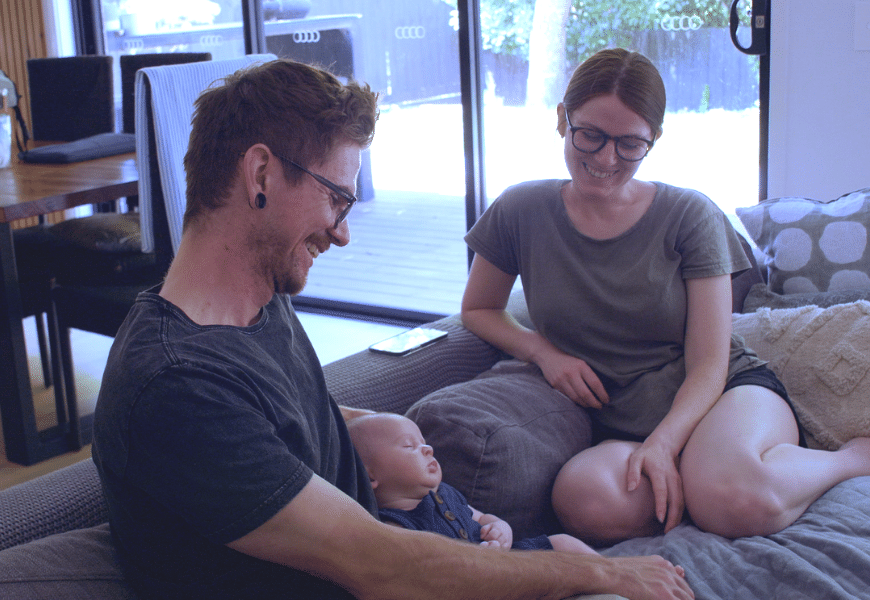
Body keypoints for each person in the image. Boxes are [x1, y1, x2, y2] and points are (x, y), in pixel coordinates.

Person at [91, 58, 693, 600]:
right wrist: (611, 572)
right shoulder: (179, 387)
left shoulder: (257, 307)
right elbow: (382, 568)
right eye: (336, 199)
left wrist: (441, 496)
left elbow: (297, 421)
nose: (342, 232)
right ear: (261, 175)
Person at [460, 47, 870, 547]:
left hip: (719, 395)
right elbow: (478, 309)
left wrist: (664, 442)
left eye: (630, 143)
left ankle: (849, 459)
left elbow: (708, 362)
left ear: (653, 140)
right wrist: (543, 353)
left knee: (735, 499)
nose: (606, 159)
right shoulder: (521, 208)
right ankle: (699, 485)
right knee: (581, 499)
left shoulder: (687, 214)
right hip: (618, 418)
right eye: (589, 134)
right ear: (562, 119)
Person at [347, 412, 597, 554]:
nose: (428, 449)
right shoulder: (393, 527)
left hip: (508, 563)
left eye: (424, 442)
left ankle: (618, 582)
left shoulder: (444, 493)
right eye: (409, 446)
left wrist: (500, 527)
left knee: (563, 543)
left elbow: (481, 517)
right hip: (472, 584)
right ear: (370, 477)